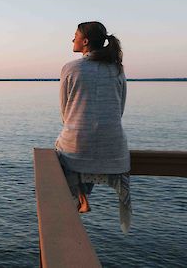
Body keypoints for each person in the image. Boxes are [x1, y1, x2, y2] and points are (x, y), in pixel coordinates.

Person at [55, 21, 131, 233]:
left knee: (64, 149)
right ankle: (83, 196)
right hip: (114, 147)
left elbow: (65, 111)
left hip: (78, 145)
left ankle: (80, 197)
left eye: (75, 36)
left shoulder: (71, 68)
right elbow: (120, 108)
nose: (72, 39)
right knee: (83, 147)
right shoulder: (117, 69)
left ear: (85, 41)